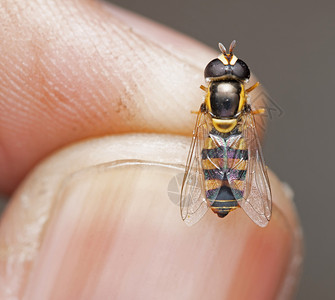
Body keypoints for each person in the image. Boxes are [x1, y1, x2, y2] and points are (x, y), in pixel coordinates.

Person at [0, 1, 303, 298]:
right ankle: (230, 194)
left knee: (209, 145)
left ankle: (216, 194)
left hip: (212, 143)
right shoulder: (247, 110)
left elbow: (200, 132)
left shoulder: (205, 106)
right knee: (237, 149)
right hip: (235, 144)